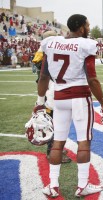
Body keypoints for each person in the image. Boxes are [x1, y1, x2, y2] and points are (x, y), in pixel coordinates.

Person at [36, 14, 103, 198]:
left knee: (58, 142)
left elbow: (43, 76)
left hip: (59, 97)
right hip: (79, 97)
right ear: (81, 27)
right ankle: (82, 185)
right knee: (84, 141)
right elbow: (92, 78)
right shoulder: (85, 44)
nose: (89, 28)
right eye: (88, 25)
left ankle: (53, 186)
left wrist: (39, 102)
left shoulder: (51, 42)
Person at [32, 30, 72, 163]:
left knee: (56, 122)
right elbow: (43, 75)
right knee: (56, 123)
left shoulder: (45, 50)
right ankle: (52, 152)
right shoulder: (47, 51)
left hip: (52, 89)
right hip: (53, 90)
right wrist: (40, 101)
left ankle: (56, 149)